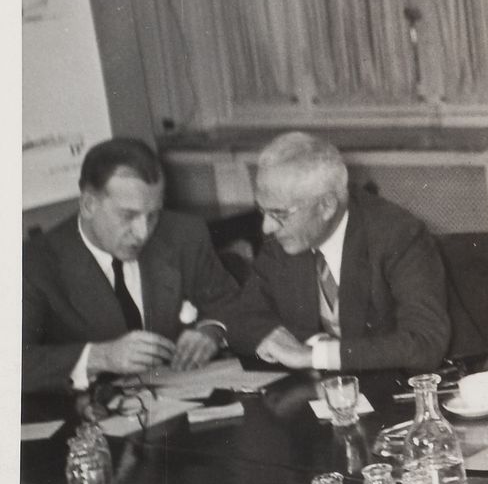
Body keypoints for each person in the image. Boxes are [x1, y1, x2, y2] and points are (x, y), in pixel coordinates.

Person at [23, 137, 240, 393]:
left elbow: (230, 302)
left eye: (153, 214)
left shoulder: (184, 234)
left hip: (177, 408)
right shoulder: (34, 263)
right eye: (128, 216)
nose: (142, 232)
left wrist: (211, 331)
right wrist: (98, 357)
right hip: (86, 416)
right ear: (89, 205)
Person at [222, 132, 448, 371]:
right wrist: (280, 338)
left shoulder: (398, 235)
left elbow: (424, 343)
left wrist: (313, 356)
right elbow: (241, 316)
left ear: (326, 205)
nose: (266, 227)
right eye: (263, 211)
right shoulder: (285, 239)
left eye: (279, 214)